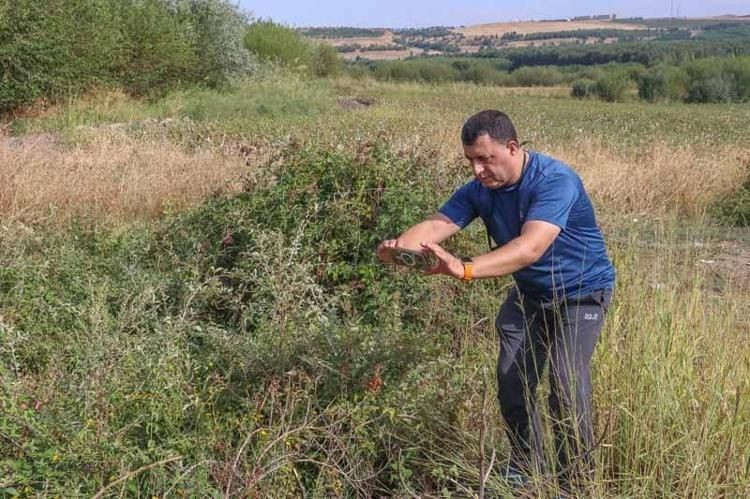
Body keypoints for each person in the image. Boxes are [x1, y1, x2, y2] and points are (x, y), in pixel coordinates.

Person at [376, 110, 615, 493]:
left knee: (566, 385)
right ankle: (526, 467)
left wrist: (464, 269)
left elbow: (529, 248)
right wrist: (400, 247)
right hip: (531, 294)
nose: (477, 169)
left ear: (513, 147)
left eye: (486, 158)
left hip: (581, 294)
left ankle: (575, 484)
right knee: (511, 381)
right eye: (471, 159)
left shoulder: (555, 181)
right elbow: (437, 224)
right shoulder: (479, 191)